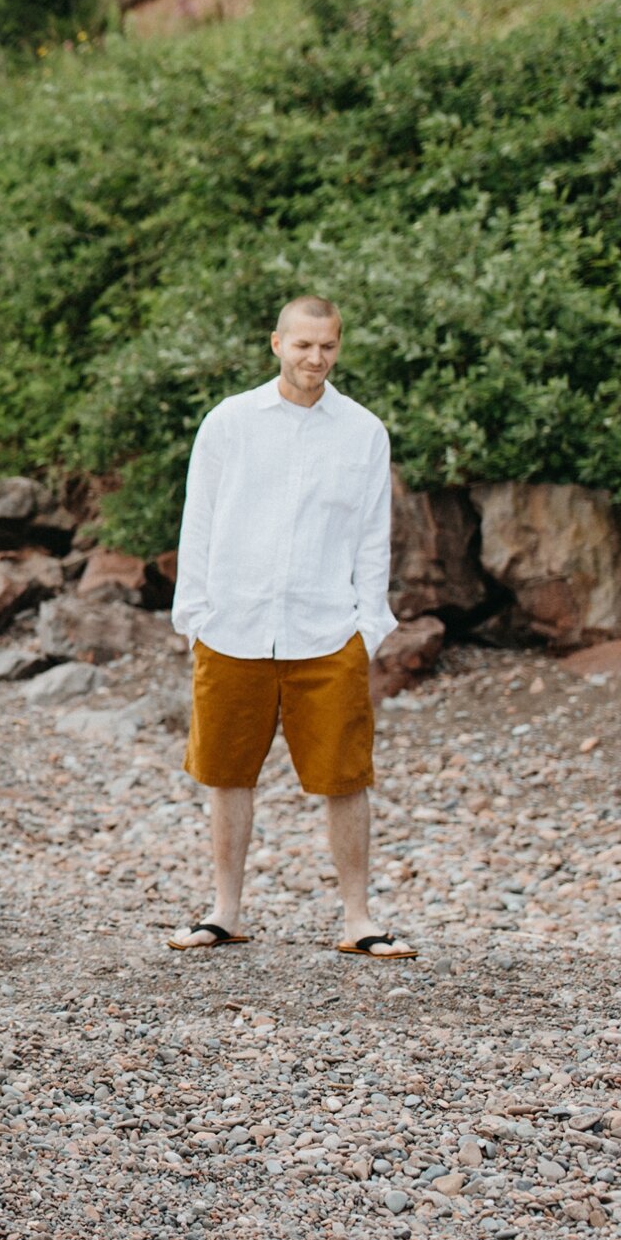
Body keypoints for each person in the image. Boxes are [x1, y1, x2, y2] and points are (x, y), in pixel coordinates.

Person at [167, 295, 416, 959]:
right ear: (276, 343)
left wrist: (369, 628)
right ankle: (224, 910)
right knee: (227, 773)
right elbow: (200, 520)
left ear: (339, 347)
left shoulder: (363, 431)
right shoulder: (229, 422)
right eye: (303, 344)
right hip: (233, 627)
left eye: (327, 346)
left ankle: (358, 917)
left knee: (345, 776)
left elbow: (373, 538)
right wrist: (194, 617)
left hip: (327, 631)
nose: (315, 357)